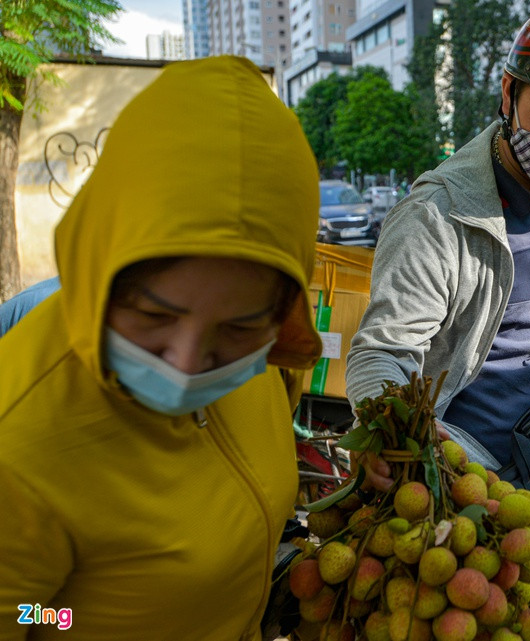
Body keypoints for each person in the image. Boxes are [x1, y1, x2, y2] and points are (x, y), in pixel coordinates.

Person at [345, 5, 530, 639]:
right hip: (483, 520)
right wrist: (399, 445)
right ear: (509, 94)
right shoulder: (439, 216)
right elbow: (381, 353)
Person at [0, 56, 322, 639]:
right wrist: (73, 618)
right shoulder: (15, 443)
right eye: (153, 315)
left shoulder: (268, 365)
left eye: (238, 328)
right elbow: (19, 611)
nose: (186, 363)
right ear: (101, 266)